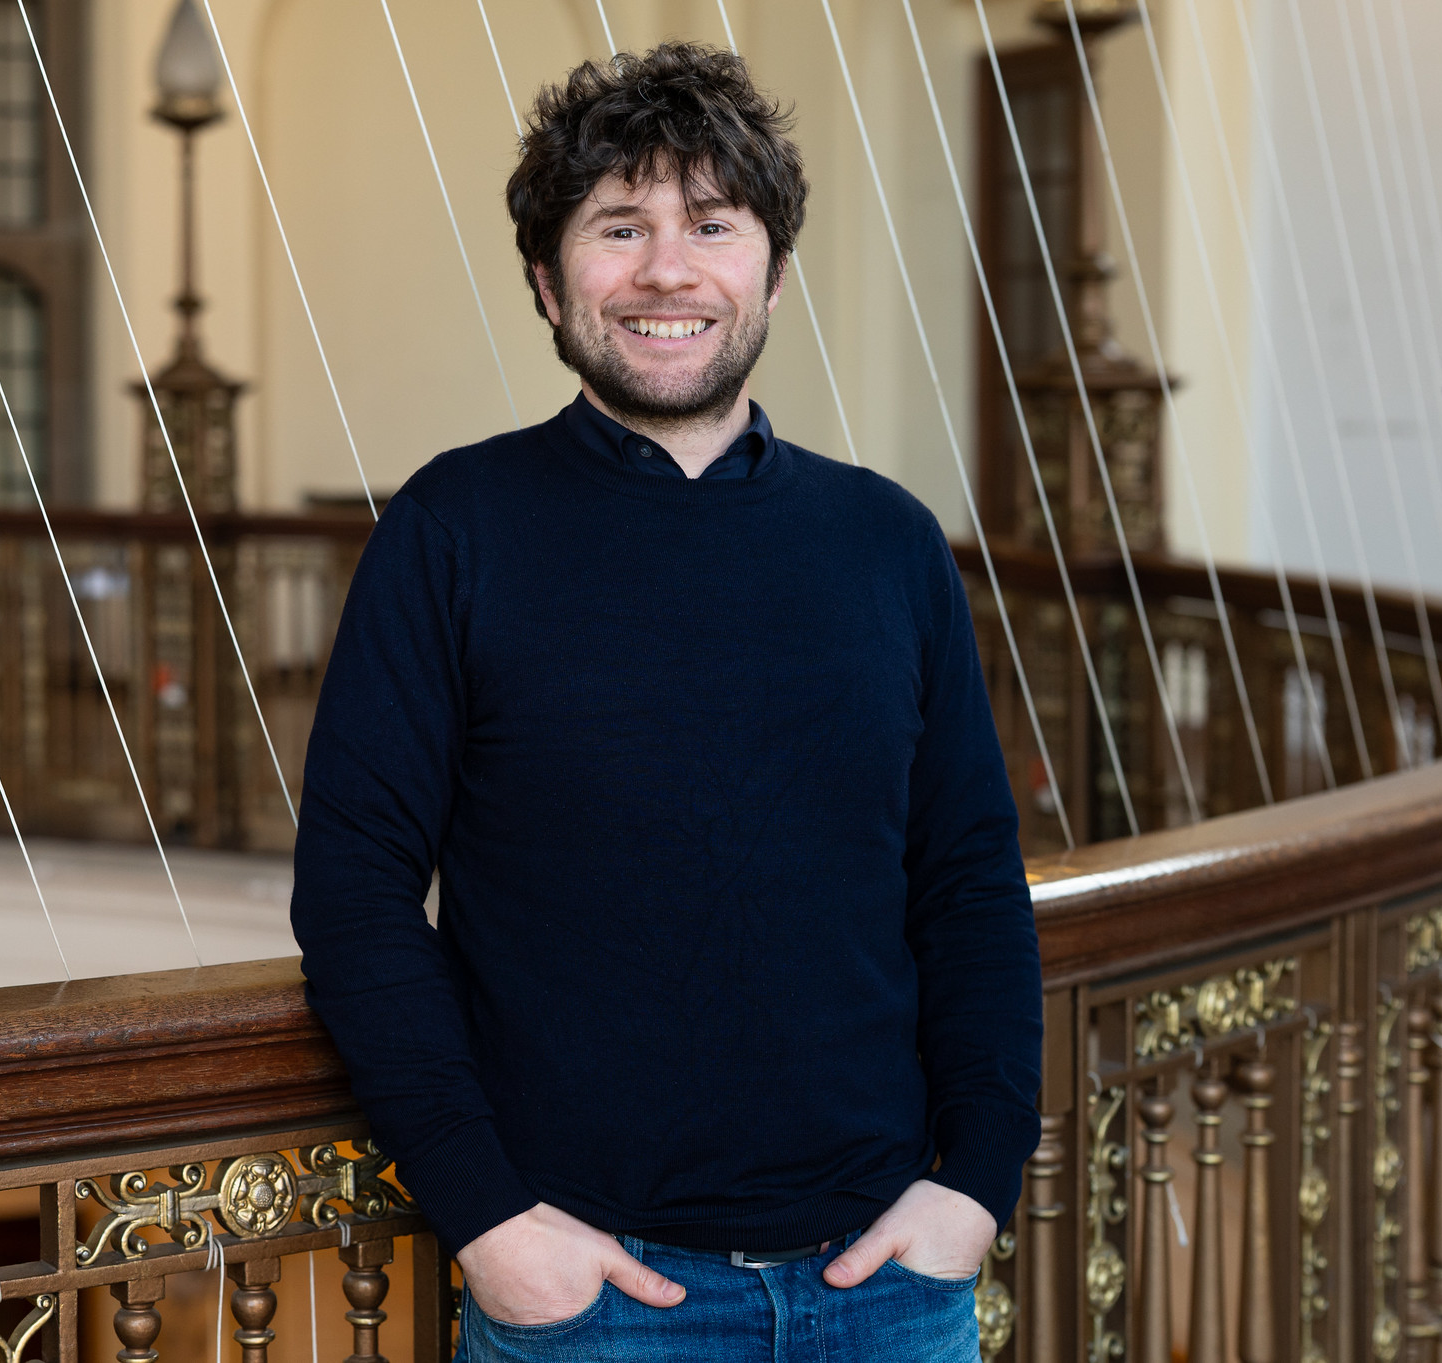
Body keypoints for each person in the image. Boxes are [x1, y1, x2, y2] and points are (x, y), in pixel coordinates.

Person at [290, 41, 1042, 1362]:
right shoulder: (451, 532)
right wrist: (487, 1219)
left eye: (712, 224)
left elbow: (969, 878)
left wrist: (976, 1183)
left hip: (889, 1289)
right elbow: (354, 891)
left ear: (770, 270)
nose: (668, 271)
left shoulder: (888, 543)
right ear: (546, 279)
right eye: (616, 227)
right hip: (589, 1294)